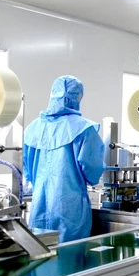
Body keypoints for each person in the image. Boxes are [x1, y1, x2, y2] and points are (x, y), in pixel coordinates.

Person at [23, 76, 106, 243]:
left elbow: (27, 170)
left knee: (41, 251)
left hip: (39, 205)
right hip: (70, 209)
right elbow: (93, 172)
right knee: (69, 253)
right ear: (77, 97)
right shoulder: (83, 129)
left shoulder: (33, 128)